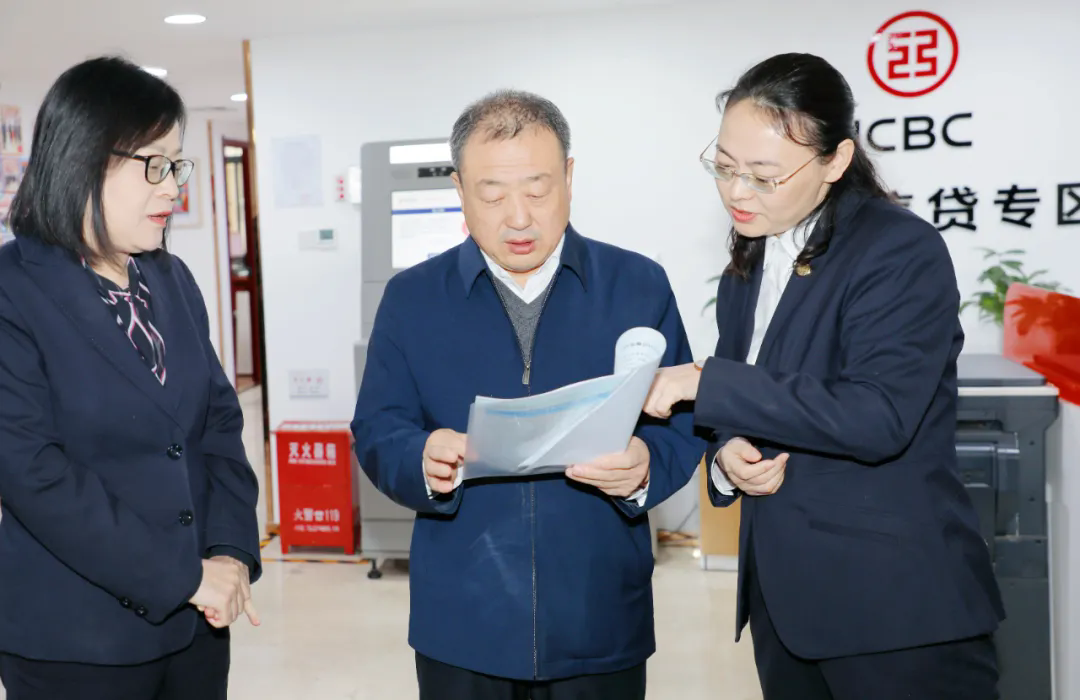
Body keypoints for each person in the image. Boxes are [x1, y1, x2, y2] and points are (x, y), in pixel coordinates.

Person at [644, 53, 1004, 700]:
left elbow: (878, 416)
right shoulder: (750, 261)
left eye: (763, 176)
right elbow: (752, 404)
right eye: (724, 167)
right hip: (786, 610)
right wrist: (728, 456)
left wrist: (706, 381)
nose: (736, 192)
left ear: (836, 161)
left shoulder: (897, 249)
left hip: (895, 618)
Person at [351, 89, 704, 699]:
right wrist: (420, 458)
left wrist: (646, 465)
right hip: (463, 617)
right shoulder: (413, 299)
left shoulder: (636, 285)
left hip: (598, 612)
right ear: (459, 189)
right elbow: (379, 427)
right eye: (492, 195)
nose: (518, 218)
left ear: (569, 177)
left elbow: (682, 422)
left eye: (538, 191)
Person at [0, 56, 262, 699]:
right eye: (155, 165)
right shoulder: (14, 290)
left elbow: (219, 424)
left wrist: (229, 550)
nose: (172, 188)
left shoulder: (169, 278)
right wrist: (184, 576)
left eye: (177, 166)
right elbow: (33, 472)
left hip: (198, 628)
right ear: (85, 160)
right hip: (77, 640)